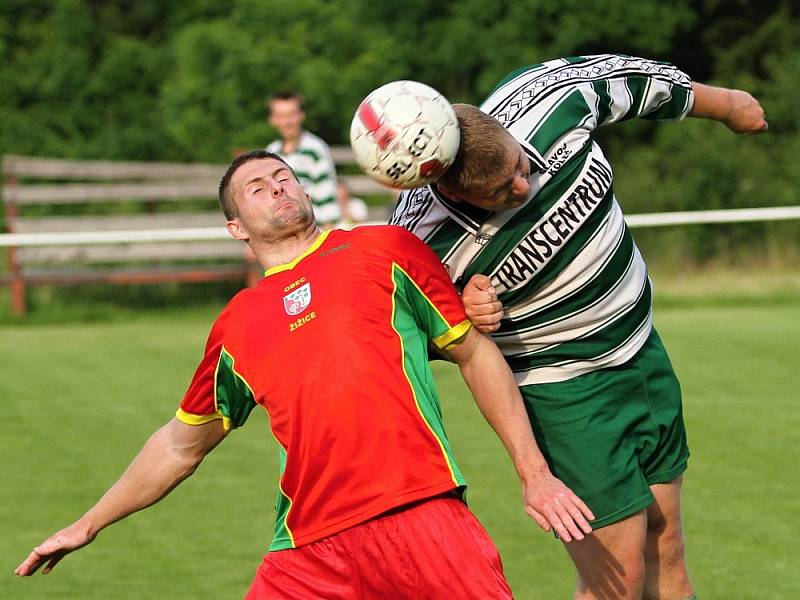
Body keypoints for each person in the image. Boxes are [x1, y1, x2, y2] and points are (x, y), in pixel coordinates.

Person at [16, 150, 594, 598]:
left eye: (284, 177)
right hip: (308, 548)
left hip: (421, 513)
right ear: (237, 228)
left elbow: (472, 352)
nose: (277, 188)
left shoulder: (385, 250)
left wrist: (534, 473)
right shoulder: (235, 327)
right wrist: (88, 523)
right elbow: (178, 445)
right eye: (257, 188)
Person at [390, 54, 768, 600]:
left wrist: (726, 105)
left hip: (643, 351)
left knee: (667, 548)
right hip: (566, 396)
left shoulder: (548, 100)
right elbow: (400, 333)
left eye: (521, 166)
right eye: (501, 192)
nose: (524, 187)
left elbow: (639, 82)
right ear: (451, 194)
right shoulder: (422, 239)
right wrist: (460, 314)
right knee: (617, 583)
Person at [266, 91, 340, 227]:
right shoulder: (271, 152)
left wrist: (328, 230)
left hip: (312, 228)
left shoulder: (314, 149)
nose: (287, 122)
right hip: (282, 230)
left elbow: (326, 193)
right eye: (281, 116)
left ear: (301, 115)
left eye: (291, 115)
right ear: (272, 119)